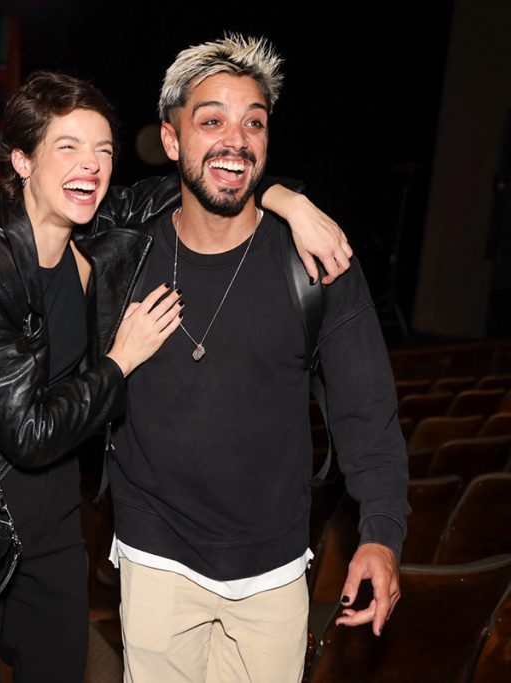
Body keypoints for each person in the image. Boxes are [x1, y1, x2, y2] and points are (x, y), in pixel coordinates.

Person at [0, 71, 352, 683]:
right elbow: (29, 433)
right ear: (23, 160)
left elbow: (208, 178)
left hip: (52, 530)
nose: (93, 165)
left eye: (103, 150)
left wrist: (290, 201)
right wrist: (120, 361)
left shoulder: (102, 228)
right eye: (69, 147)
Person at [104, 34, 411, 682]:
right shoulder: (125, 252)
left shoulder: (316, 259)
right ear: (171, 139)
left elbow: (367, 409)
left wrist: (381, 532)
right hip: (154, 552)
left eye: (254, 122)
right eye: (211, 119)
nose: (235, 139)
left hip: (271, 565)